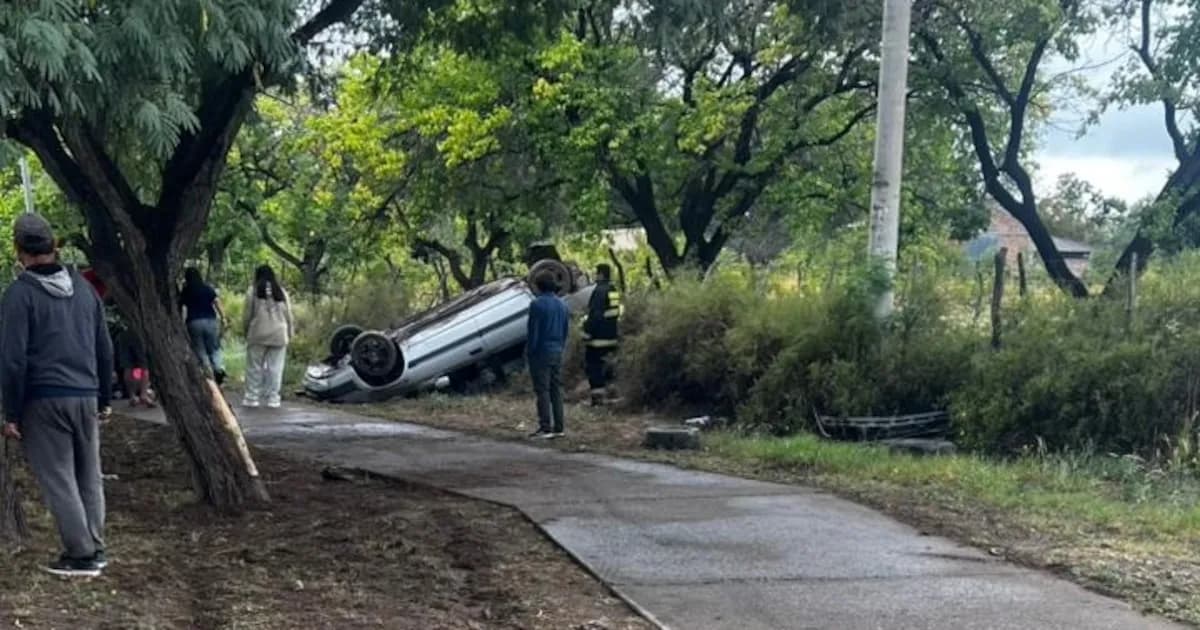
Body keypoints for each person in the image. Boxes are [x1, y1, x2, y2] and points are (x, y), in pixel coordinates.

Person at [0, 214, 112, 577]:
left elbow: (13, 359)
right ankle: (95, 545)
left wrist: (11, 412)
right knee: (89, 475)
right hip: (86, 394)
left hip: (43, 399)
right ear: (55, 246)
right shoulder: (84, 290)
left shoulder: (20, 294)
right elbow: (104, 346)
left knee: (59, 477)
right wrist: (105, 398)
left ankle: (80, 555)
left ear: (19, 251)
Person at [526, 271, 569, 439]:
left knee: (542, 390)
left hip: (541, 352)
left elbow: (533, 333)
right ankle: (559, 427)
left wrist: (530, 352)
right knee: (556, 389)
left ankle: (545, 426)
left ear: (539, 286)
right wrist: (560, 346)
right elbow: (566, 330)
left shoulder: (537, 305)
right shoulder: (562, 305)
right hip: (557, 350)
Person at [243, 265, 293, 409]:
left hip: (258, 333)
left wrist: (246, 330)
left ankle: (252, 397)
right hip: (279, 334)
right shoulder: (282, 292)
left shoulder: (252, 292)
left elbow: (247, 315)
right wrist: (290, 332)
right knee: (275, 368)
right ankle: (273, 399)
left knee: (254, 367)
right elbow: (289, 315)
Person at [581, 263, 622, 405]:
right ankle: (612, 397)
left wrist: (586, 333)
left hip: (597, 339)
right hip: (612, 336)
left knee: (594, 367)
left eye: (596, 273)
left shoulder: (599, 291)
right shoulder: (613, 290)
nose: (595, 276)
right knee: (609, 366)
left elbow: (595, 315)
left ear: (601, 274)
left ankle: (597, 400)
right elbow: (614, 313)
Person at [179, 267, 226, 385]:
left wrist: (182, 322)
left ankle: (208, 372)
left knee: (200, 349)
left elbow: (182, 307)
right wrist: (223, 317)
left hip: (194, 321)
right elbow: (216, 302)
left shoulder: (187, 290)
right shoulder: (207, 288)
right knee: (214, 348)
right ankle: (218, 368)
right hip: (210, 320)